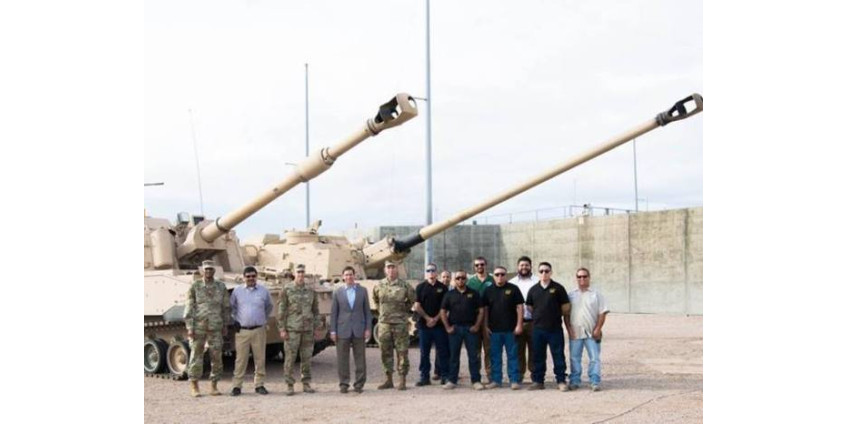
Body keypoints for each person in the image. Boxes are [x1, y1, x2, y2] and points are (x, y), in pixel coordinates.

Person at [183, 260, 231, 397]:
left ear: (214, 271)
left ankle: (214, 385)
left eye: (211, 269)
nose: (208, 271)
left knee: (216, 356)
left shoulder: (221, 287)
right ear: (202, 271)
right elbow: (189, 307)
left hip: (216, 326)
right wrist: (189, 327)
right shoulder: (195, 286)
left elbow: (225, 307)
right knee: (196, 356)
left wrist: (225, 324)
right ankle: (194, 385)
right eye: (206, 269)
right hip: (199, 326)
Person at [525, 261, 572, 392]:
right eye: (541, 271)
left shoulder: (558, 288)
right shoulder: (533, 290)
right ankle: (538, 381)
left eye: (546, 271)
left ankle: (561, 380)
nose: (544, 273)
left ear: (551, 272)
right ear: (538, 273)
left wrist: (554, 315)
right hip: (538, 329)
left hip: (554, 329)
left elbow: (566, 307)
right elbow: (530, 307)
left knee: (558, 355)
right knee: (538, 356)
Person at [229, 266, 273, 396]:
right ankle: (237, 386)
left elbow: (269, 307)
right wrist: (234, 320)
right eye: (248, 276)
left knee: (260, 359)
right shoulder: (237, 291)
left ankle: (259, 385)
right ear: (244, 278)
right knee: (240, 360)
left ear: (256, 277)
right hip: (242, 330)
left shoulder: (264, 291)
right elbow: (232, 307)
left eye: (253, 276)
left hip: (259, 330)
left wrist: (261, 319)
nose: (251, 278)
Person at [277, 264, 321, 396]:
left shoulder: (310, 290)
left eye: (303, 272)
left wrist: (316, 327)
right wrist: (282, 328)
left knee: (306, 357)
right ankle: (289, 385)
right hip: (292, 329)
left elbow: (316, 310)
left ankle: (306, 383)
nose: (301, 275)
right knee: (290, 358)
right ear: (294, 274)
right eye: (298, 272)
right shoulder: (287, 289)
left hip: (307, 329)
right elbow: (281, 310)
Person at [372, 260, 416, 390]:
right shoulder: (379, 285)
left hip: (400, 324)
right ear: (385, 270)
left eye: (393, 267)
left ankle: (402, 380)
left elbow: (412, 300)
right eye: (388, 267)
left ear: (397, 270)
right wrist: (382, 313)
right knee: (385, 352)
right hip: (384, 324)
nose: (391, 270)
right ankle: (388, 379)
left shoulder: (405, 286)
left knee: (402, 352)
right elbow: (376, 301)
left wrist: (403, 312)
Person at [439, 270, 486, 391]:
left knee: (473, 356)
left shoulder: (474, 293)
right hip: (455, 329)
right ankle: (452, 380)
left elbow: (481, 310)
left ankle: (476, 381)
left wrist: (476, 326)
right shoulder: (449, 295)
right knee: (454, 356)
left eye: (463, 278)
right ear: (454, 280)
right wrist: (447, 327)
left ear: (466, 279)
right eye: (458, 278)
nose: (461, 280)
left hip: (470, 329)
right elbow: (443, 311)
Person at [330, 266, 373, 394]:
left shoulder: (362, 291)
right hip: (342, 329)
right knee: (342, 358)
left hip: (359, 328)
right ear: (343, 277)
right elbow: (334, 313)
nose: (349, 277)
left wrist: (368, 328)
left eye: (351, 274)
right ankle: (344, 384)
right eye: (346, 275)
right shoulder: (338, 292)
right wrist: (333, 330)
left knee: (360, 358)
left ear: (355, 276)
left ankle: (359, 383)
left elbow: (367, 311)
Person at [481, 266, 525, 390]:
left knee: (512, 356)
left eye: (502, 274)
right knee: (495, 356)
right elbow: (485, 310)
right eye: (497, 274)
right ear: (493, 276)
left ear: (506, 275)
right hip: (494, 330)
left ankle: (514, 380)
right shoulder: (488, 290)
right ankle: (496, 380)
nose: (499, 277)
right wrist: (485, 326)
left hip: (511, 330)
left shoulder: (513, 289)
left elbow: (519, 307)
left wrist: (519, 324)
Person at [568, 267, 609, 392]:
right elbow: (566, 314)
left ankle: (595, 381)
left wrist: (598, 329)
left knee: (594, 357)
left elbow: (602, 313)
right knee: (574, 357)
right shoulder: (570, 295)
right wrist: (569, 330)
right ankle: (575, 380)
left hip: (592, 331)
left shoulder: (596, 294)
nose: (582, 279)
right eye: (579, 276)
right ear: (576, 278)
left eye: (584, 276)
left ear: (589, 277)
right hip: (576, 331)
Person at [413, 263, 450, 386]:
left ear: (436, 272)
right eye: (428, 270)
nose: (430, 273)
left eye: (432, 270)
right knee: (424, 353)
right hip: (424, 326)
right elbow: (417, 306)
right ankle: (424, 377)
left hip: (439, 326)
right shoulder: (420, 287)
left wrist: (435, 319)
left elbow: (444, 307)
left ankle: (444, 376)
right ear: (425, 273)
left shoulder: (443, 288)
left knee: (442, 351)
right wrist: (428, 318)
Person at [508, 256, 539, 383]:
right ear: (517, 267)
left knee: (535, 349)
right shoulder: (512, 283)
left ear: (531, 266)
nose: (524, 267)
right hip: (517, 322)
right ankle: (518, 376)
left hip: (534, 322)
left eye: (526, 265)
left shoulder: (537, 281)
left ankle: (535, 376)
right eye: (521, 265)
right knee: (518, 350)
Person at [467, 256, 494, 383]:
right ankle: (476, 376)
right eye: (477, 265)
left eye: (482, 264)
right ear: (474, 267)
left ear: (486, 265)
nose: (479, 267)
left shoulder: (493, 279)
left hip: (489, 319)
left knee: (489, 349)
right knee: (475, 349)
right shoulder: (470, 282)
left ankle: (490, 375)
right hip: (474, 319)